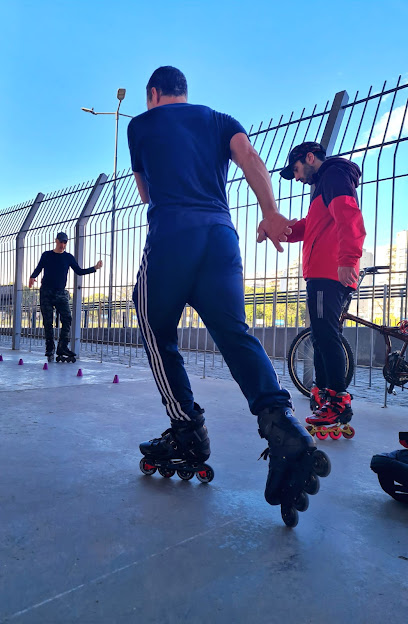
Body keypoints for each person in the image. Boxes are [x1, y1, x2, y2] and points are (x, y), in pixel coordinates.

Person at [127, 66, 330, 521]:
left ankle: (186, 429)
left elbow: (144, 193)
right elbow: (251, 159)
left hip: (172, 235)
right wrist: (271, 212)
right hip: (221, 237)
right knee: (235, 334)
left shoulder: (139, 125)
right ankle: (281, 426)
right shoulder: (221, 119)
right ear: (187, 92)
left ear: (154, 94)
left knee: (153, 323)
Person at [280, 142, 366, 428]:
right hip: (325, 272)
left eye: (296, 170)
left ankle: (338, 399)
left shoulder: (333, 175)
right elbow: (311, 227)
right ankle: (327, 394)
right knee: (320, 335)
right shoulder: (323, 185)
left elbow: (350, 216)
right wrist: (283, 230)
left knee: (325, 335)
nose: (298, 178)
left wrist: (347, 259)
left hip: (329, 273)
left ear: (309, 158)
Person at [29, 232, 103, 360]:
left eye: (65, 243)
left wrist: (94, 268)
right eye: (61, 242)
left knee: (67, 318)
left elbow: (79, 271)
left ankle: (62, 346)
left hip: (60, 293)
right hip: (46, 292)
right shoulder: (47, 255)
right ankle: (50, 348)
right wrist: (32, 277)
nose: (62, 245)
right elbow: (39, 267)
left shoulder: (68, 257)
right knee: (48, 321)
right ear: (56, 241)